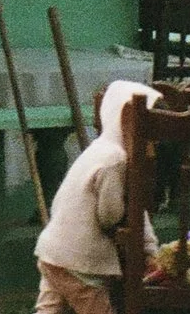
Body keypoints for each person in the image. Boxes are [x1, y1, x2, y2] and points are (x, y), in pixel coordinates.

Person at [33, 80, 160, 314]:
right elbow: (109, 214)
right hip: (78, 261)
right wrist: (142, 244)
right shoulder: (116, 159)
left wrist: (150, 248)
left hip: (53, 250)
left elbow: (133, 204)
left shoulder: (98, 149)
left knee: (48, 310)